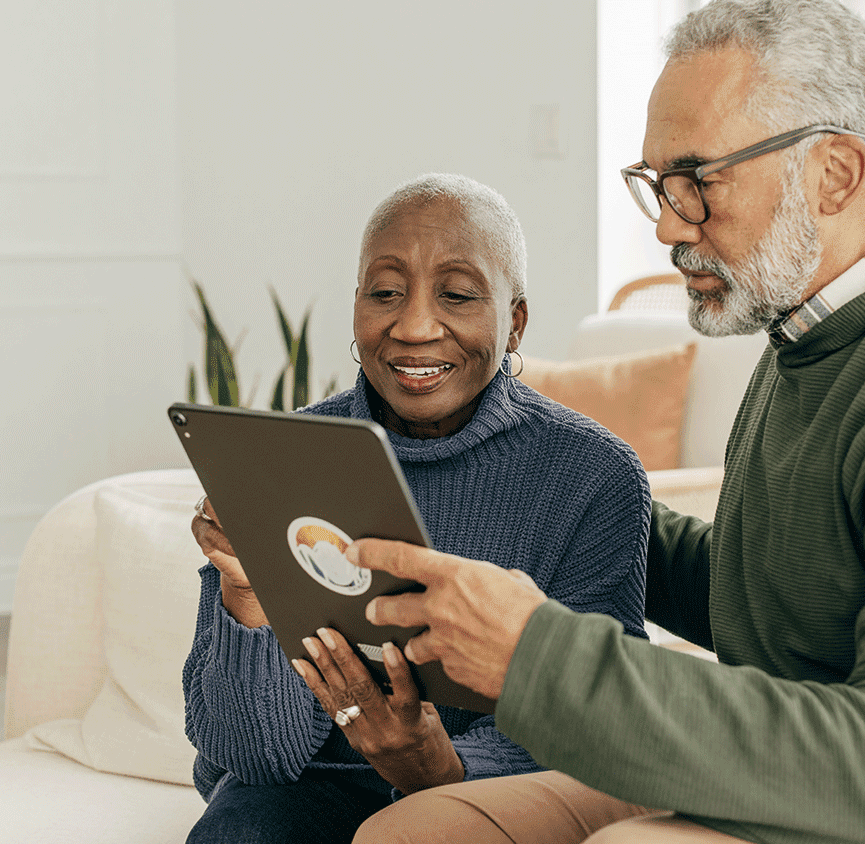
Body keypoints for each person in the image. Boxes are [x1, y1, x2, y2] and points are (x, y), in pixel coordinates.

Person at [343, 2, 865, 843]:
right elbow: (785, 600)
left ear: (835, 173)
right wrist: (552, 497)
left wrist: (536, 656)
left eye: (698, 181)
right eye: (657, 185)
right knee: (422, 831)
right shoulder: (821, 327)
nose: (671, 225)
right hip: (826, 755)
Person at [181, 173, 652, 844]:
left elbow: (600, 724)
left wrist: (443, 765)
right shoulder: (279, 459)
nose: (414, 326)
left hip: (485, 795)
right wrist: (248, 593)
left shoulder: (592, 476)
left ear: (514, 321)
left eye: (457, 295)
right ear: (356, 308)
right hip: (304, 791)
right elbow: (249, 756)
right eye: (385, 293)